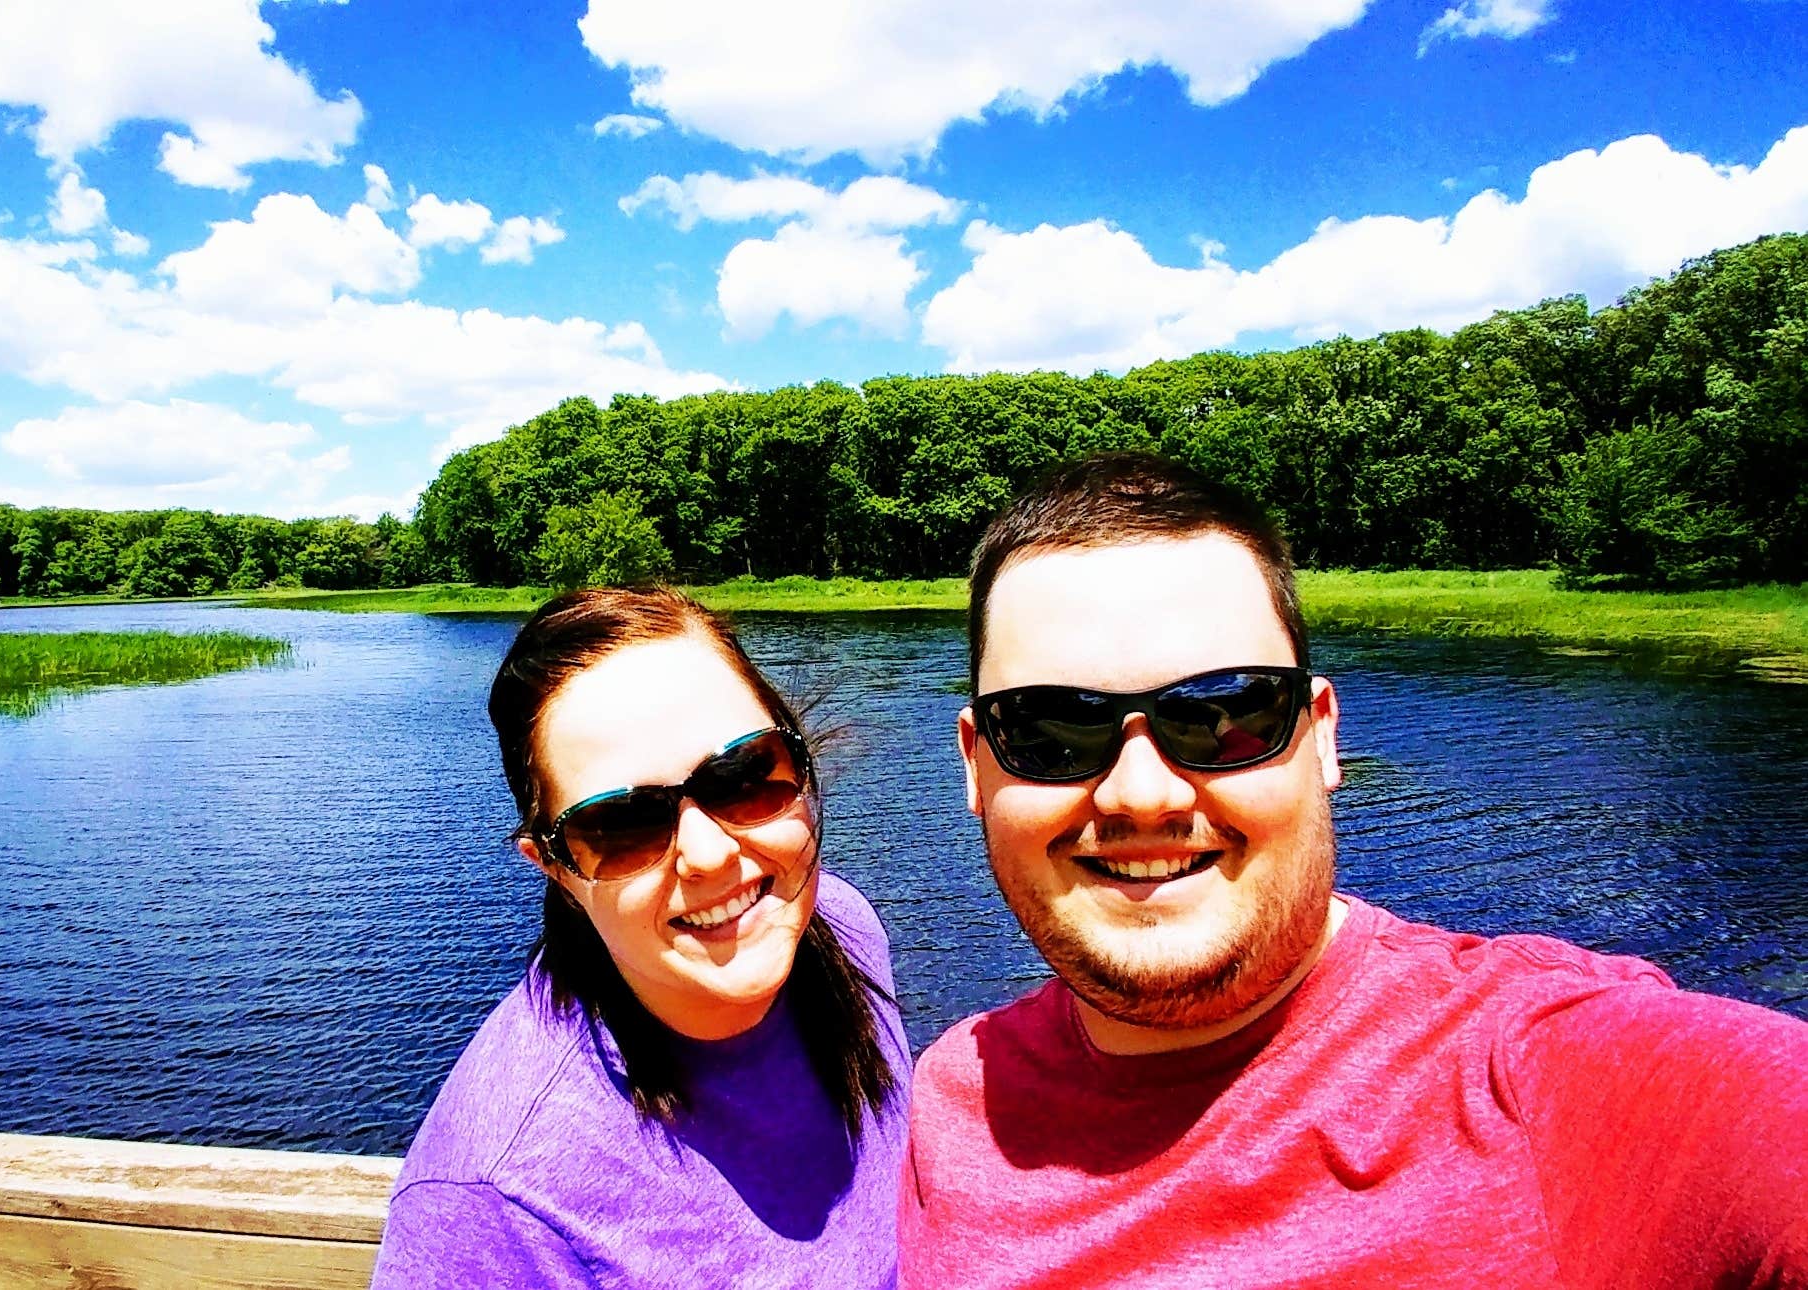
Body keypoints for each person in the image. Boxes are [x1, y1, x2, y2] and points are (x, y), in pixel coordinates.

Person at [900, 451, 1808, 1288]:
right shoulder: (951, 1098)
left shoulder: (1548, 1074)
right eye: (1050, 731)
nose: (1142, 794)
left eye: (1225, 713)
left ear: (1323, 736)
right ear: (977, 765)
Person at [373, 586, 908, 1288]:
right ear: (556, 869)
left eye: (744, 776)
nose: (708, 853)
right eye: (623, 825)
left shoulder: (842, 925)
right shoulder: (491, 1208)